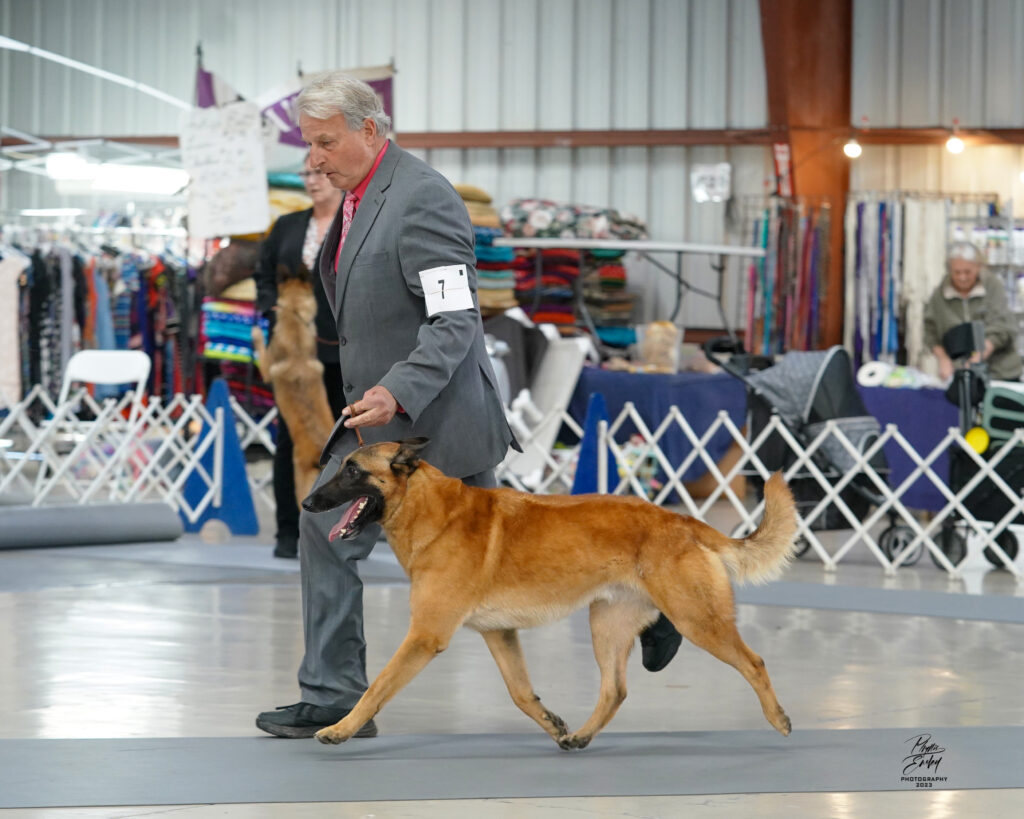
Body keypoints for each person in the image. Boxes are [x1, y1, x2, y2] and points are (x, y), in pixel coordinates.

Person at [255, 71, 683, 740]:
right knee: (326, 532)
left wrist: (398, 387)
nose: (313, 158)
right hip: (378, 423)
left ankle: (658, 605)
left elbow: (455, 322)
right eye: (310, 144)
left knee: (523, 557)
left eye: (325, 142)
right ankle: (334, 692)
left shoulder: (423, 199)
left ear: (371, 130)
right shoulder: (356, 198)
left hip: (441, 420)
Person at [254, 154, 345, 559]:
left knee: (339, 439)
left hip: (340, 349)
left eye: (320, 172)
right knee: (290, 438)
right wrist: (274, 308)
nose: (313, 180)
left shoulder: (355, 224)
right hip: (292, 354)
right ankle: (288, 533)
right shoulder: (288, 226)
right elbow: (263, 272)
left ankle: (339, 528)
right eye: (306, 173)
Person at [924, 241, 1023, 382]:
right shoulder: (940, 295)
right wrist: (943, 359)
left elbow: (1001, 328)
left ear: (978, 268)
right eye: (957, 272)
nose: (962, 277)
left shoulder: (992, 286)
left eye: (967, 272)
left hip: (1001, 372)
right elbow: (930, 332)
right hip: (961, 374)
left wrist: (977, 358)